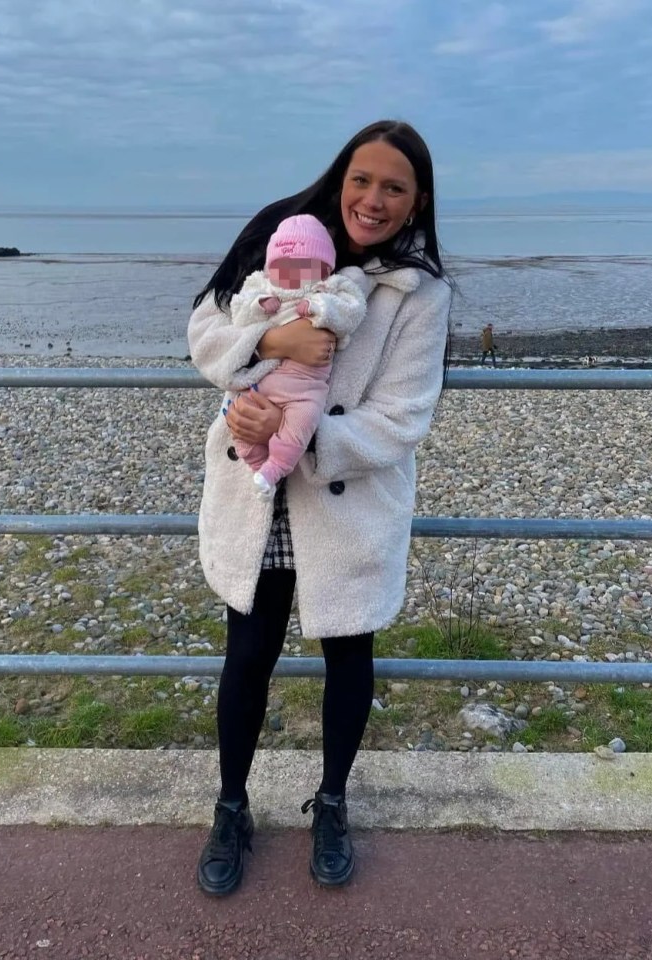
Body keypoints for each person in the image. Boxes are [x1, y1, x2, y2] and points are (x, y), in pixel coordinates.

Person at [188, 119, 452, 896]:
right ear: (341, 177)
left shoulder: (418, 291)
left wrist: (299, 438)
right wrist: (273, 347)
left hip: (343, 496)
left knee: (348, 656)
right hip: (256, 486)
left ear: (417, 201)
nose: (373, 199)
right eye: (362, 179)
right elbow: (205, 323)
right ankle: (231, 805)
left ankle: (331, 802)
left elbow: (402, 418)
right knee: (249, 653)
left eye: (394, 187)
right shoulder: (280, 232)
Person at [222, 213, 369, 499]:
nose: (294, 274)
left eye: (305, 266)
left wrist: (318, 308)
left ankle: (274, 467)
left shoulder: (328, 289)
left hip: (306, 386)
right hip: (262, 380)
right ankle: (257, 467)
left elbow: (351, 311)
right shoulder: (261, 286)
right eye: (284, 266)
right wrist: (260, 306)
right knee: (239, 420)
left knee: (301, 421)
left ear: (324, 269)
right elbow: (238, 311)